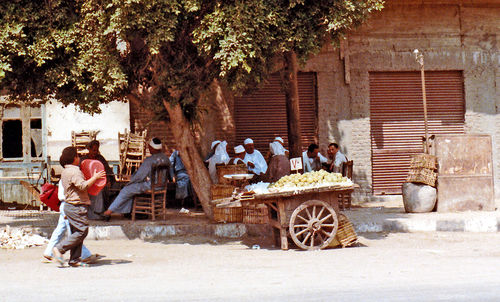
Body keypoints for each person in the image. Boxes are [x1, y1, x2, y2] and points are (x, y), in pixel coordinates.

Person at [52, 146, 105, 267]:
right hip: (76, 206)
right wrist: (95, 177)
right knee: (82, 231)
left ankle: (74, 260)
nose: (79, 158)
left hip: (70, 206)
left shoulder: (66, 171)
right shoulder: (74, 171)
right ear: (74, 158)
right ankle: (59, 249)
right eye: (77, 156)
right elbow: (82, 186)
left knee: (77, 232)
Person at [104, 138, 172, 219]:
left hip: (151, 186)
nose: (148, 148)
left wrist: (131, 180)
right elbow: (171, 175)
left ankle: (108, 212)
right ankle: (127, 212)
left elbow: (139, 176)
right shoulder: (166, 158)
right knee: (130, 189)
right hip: (162, 186)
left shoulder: (149, 160)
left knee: (126, 189)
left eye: (149, 147)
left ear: (153, 148)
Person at [43, 183, 95, 263]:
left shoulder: (64, 177)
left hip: (64, 205)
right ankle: (85, 254)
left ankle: (49, 251)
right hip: (69, 205)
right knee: (74, 232)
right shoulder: (71, 177)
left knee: (60, 230)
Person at [81, 140, 114, 219]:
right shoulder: (83, 159)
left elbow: (107, 170)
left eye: (97, 150)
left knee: (103, 191)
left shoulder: (100, 158)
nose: (95, 152)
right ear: (89, 149)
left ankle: (100, 213)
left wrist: (108, 180)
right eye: (93, 150)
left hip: (99, 183)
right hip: (87, 183)